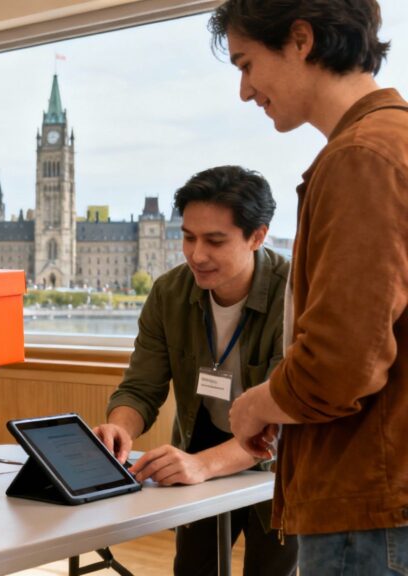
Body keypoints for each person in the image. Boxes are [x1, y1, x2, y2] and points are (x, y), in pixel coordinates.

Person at [209, 2, 408, 573]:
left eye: (247, 64)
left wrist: (258, 402)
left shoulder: (360, 157)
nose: (245, 91)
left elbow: (340, 362)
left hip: (367, 506)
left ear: (300, 39)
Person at [94, 166, 296, 575]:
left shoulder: (294, 292)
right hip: (202, 442)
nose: (195, 254)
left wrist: (202, 465)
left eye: (214, 241)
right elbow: (140, 387)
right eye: (188, 237)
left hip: (282, 461)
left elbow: (286, 414)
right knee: (192, 569)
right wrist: (119, 429)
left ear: (258, 236)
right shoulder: (169, 292)